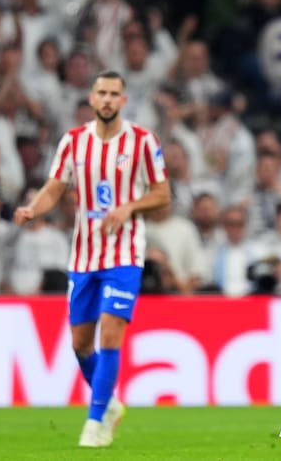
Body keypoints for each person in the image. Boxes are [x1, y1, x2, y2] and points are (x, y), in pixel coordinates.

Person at [13, 70, 170, 447]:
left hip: (125, 254)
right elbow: (55, 187)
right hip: (84, 257)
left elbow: (162, 193)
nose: (108, 99)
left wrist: (129, 207)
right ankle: (109, 403)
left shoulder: (142, 141)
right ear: (91, 98)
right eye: (102, 93)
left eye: (114, 94)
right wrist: (34, 209)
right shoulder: (73, 141)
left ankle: (95, 421)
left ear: (123, 100)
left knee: (111, 331)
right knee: (81, 343)